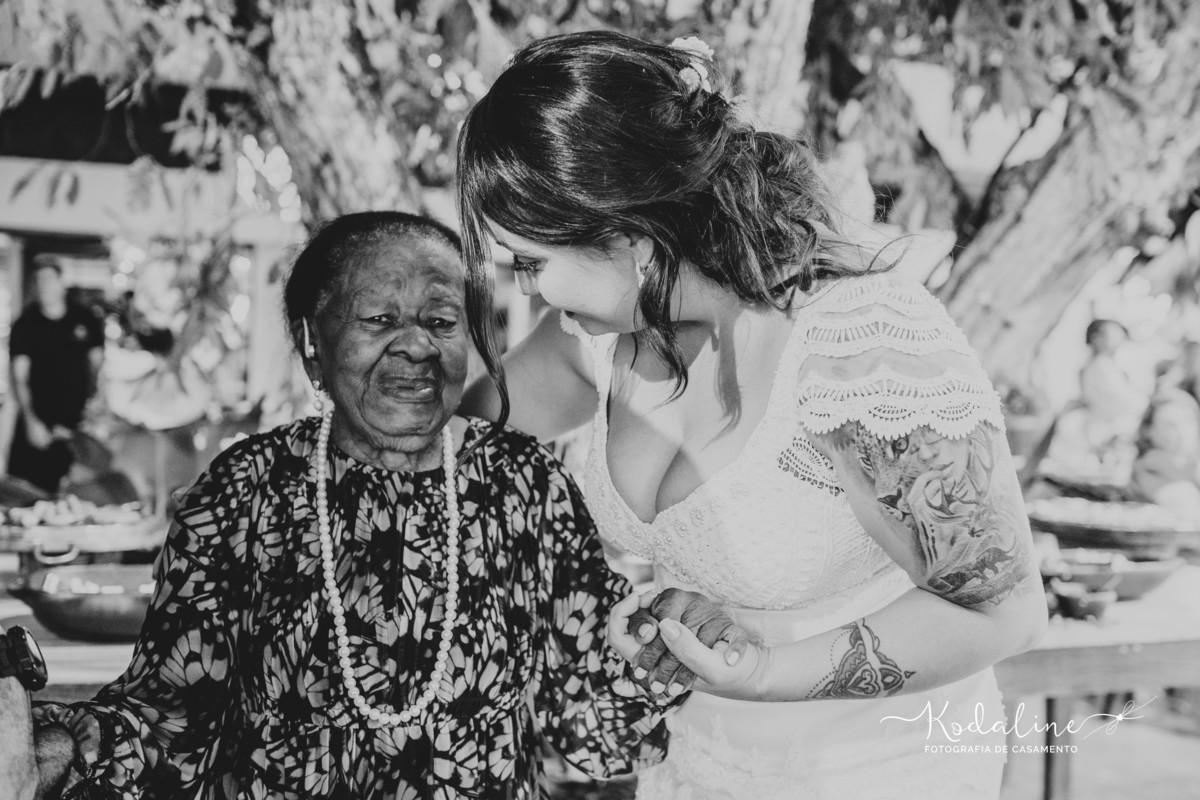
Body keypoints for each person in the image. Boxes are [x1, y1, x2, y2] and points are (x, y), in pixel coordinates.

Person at [458, 31, 1048, 798]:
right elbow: (461, 443)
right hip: (696, 760)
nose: (530, 293)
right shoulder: (594, 339)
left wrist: (766, 670)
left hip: (876, 772)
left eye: (531, 263)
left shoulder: (862, 343)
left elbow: (1001, 613)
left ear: (629, 235)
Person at [0, 212, 742, 799]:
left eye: (444, 321)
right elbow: (170, 726)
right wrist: (53, 749)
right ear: (312, 344)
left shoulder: (526, 487)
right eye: (379, 321)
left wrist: (664, 651)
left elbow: (588, 728)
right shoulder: (245, 491)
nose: (417, 346)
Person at [7, 256, 104, 493]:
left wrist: (93, 410)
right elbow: (19, 378)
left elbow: (98, 367)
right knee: (28, 494)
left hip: (76, 425)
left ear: (62, 283)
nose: (43, 286)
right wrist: (31, 421)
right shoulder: (25, 324)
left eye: (48, 280)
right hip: (38, 424)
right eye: (38, 281)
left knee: (79, 495)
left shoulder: (85, 318)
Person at [1128, 389, 1200, 513]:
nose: (1182, 432)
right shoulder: (1147, 470)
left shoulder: (1191, 465)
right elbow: (1185, 503)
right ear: (1150, 431)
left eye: (1188, 421)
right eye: (1170, 425)